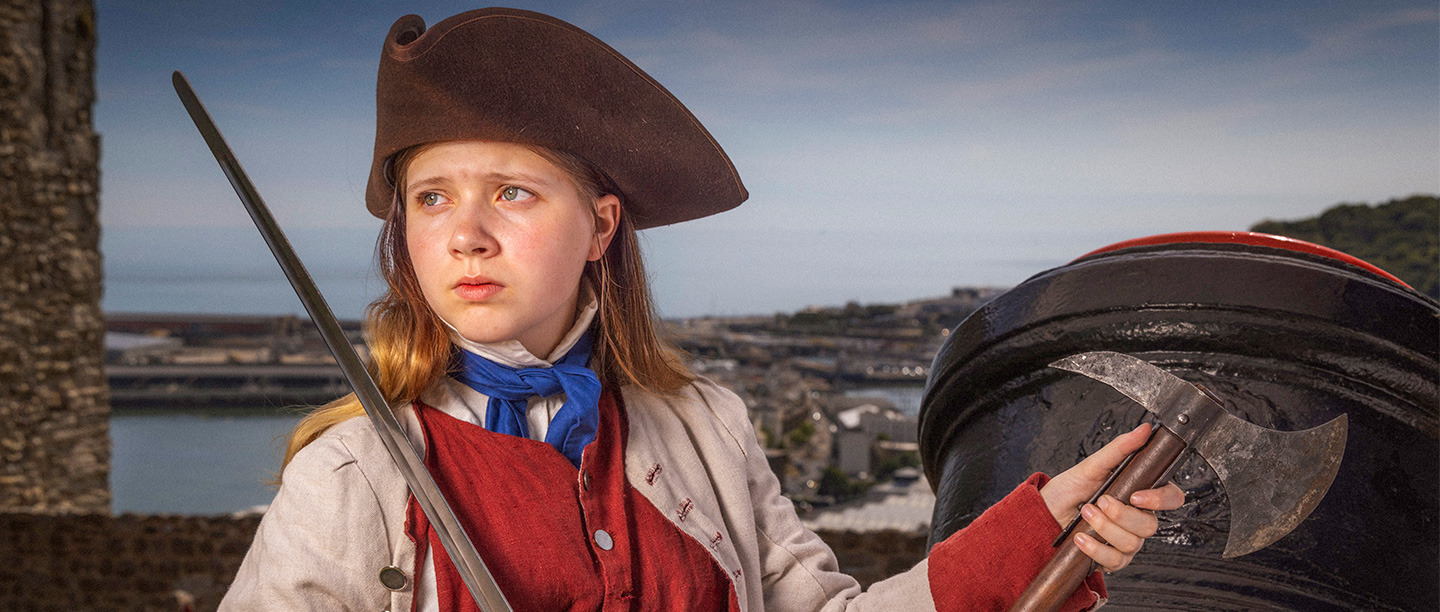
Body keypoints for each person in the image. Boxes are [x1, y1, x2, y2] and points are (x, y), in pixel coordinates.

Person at [219, 7, 1184, 612]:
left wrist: (1027, 536)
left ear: (600, 228)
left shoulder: (706, 427)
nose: (465, 234)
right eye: (431, 198)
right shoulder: (348, 478)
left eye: (511, 192)